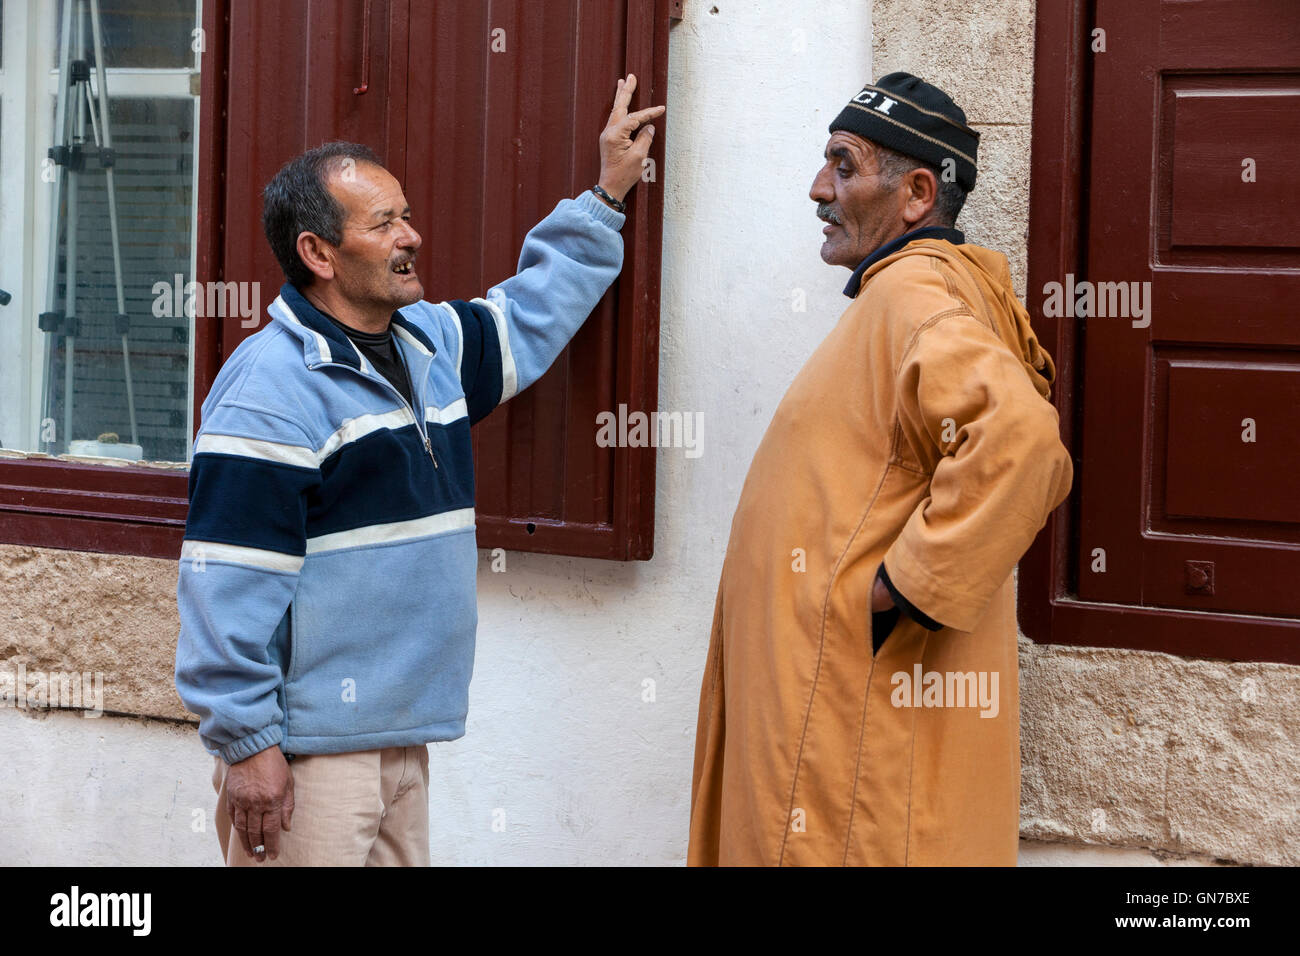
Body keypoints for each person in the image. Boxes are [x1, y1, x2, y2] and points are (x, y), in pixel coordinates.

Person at [175, 75, 663, 866]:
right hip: (308, 754)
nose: (412, 236)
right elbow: (224, 578)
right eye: (386, 223)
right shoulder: (267, 389)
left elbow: (530, 313)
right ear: (319, 253)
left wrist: (606, 195)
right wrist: (246, 743)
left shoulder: (429, 344)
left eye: (406, 215)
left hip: (403, 738)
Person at [687, 73, 1073, 866]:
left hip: (845, 730)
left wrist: (905, 592)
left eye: (844, 165)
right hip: (838, 712)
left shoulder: (914, 294)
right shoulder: (906, 297)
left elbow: (1022, 443)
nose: (817, 189)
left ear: (917, 194)